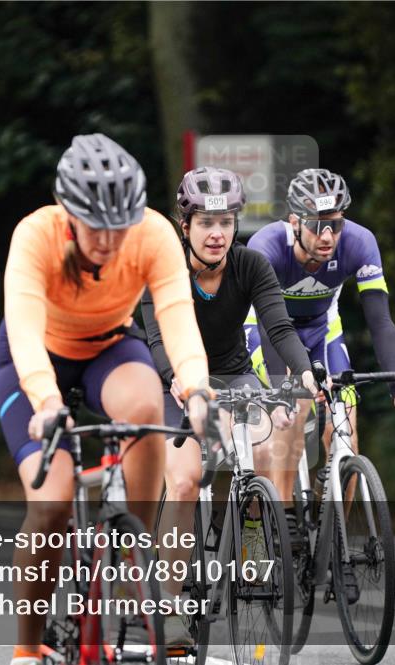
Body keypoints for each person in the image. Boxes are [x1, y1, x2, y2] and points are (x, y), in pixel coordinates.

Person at [0, 134, 212, 665]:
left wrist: (197, 388)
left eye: (120, 226)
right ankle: (27, 646)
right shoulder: (36, 236)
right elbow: (24, 331)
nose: (110, 241)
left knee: (146, 410)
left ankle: (131, 564)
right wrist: (46, 402)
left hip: (110, 347)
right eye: (96, 227)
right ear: (68, 214)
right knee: (52, 502)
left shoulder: (154, 234)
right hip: (36, 359)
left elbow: (177, 319)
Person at [140, 166, 319, 645]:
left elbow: (278, 328)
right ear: (186, 227)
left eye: (225, 223)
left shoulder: (251, 266)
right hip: (175, 379)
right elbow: (156, 337)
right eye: (205, 224)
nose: (217, 234)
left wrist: (302, 373)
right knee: (183, 481)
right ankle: (173, 604)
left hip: (234, 375)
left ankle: (251, 537)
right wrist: (175, 379)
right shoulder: (164, 267)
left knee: (265, 450)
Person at [245, 167, 395, 509]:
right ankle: (280, 527)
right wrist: (285, 386)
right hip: (267, 331)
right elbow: (271, 326)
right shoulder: (265, 246)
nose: (327, 235)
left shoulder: (360, 242)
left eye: (336, 224)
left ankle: (331, 540)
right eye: (317, 224)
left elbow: (381, 320)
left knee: (347, 437)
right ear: (295, 221)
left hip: (322, 332)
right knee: (292, 417)